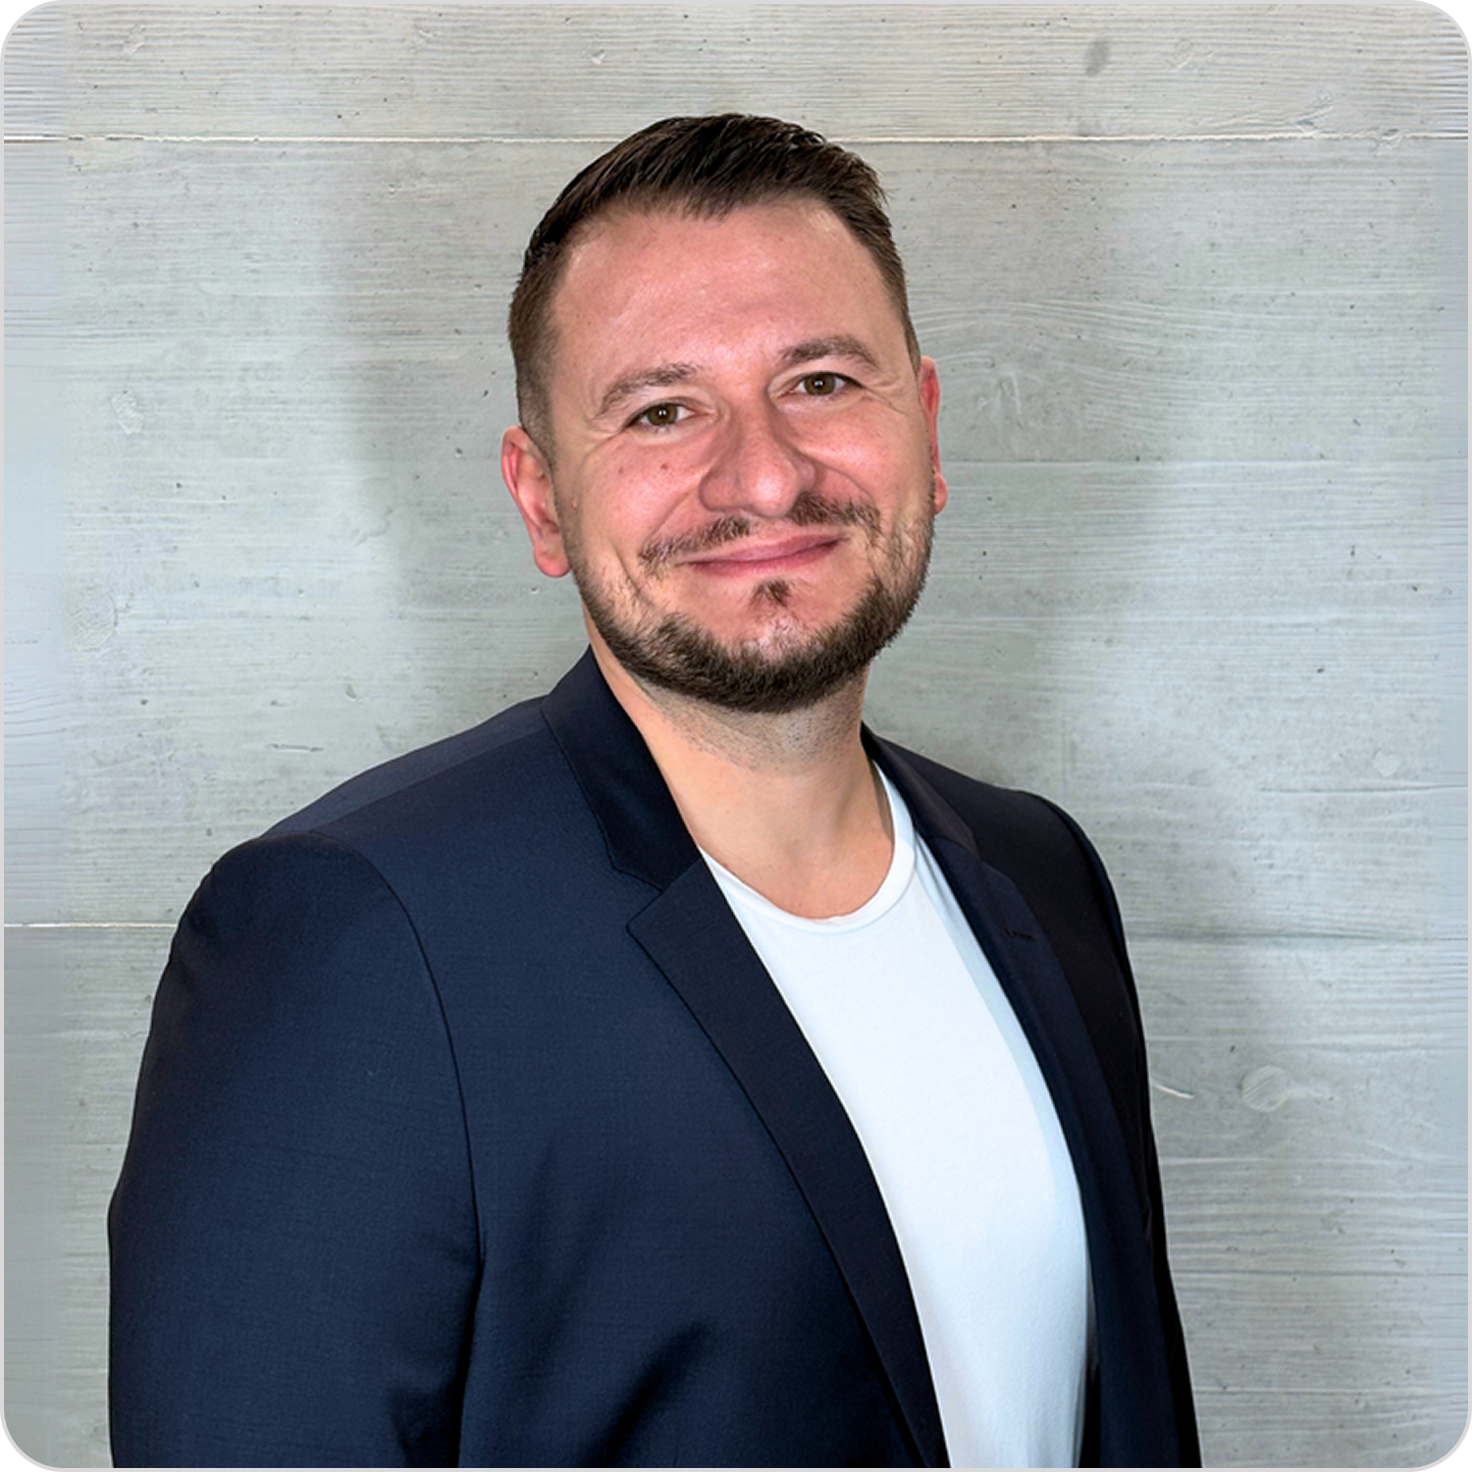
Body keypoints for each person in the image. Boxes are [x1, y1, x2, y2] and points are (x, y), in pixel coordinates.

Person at [109, 114, 1198, 1468]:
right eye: (662, 411)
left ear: (923, 429)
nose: (765, 474)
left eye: (820, 381)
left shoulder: (1042, 874)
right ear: (542, 501)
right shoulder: (354, 936)